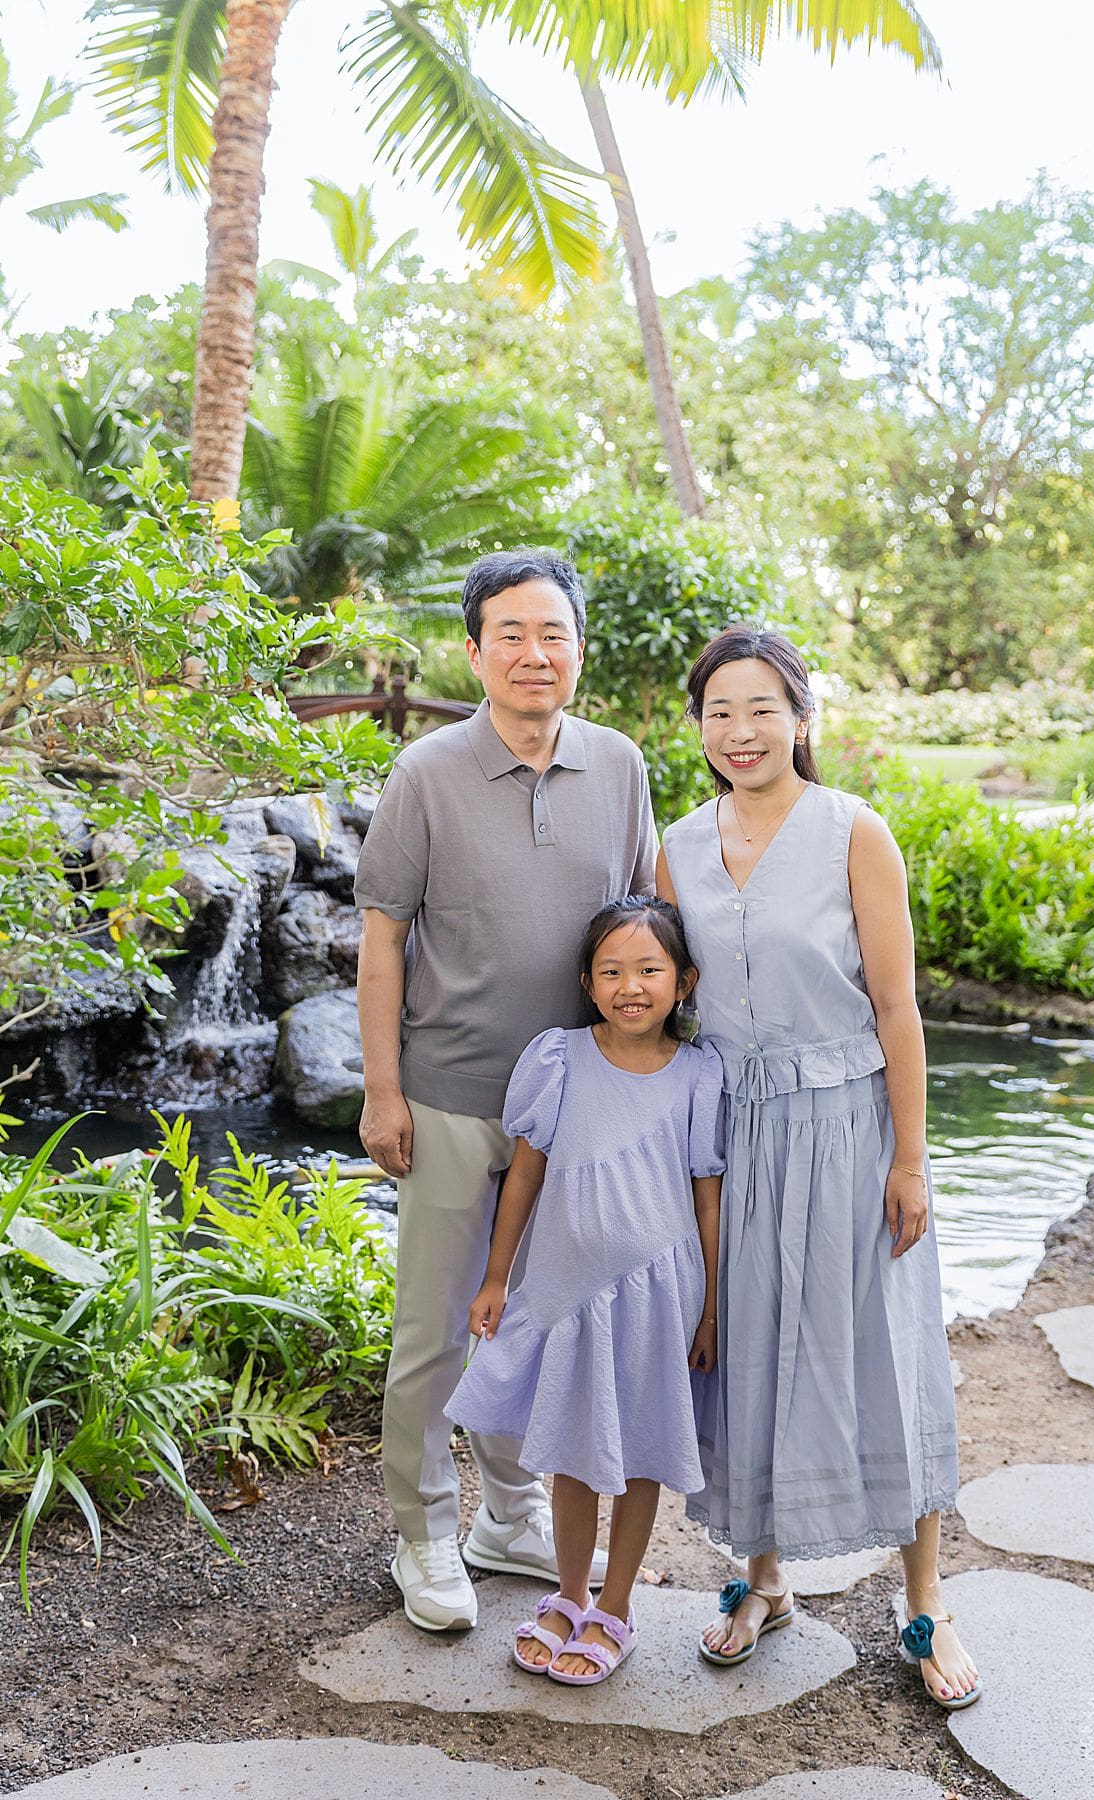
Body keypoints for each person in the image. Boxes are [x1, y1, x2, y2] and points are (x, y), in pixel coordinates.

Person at [657, 627, 980, 1710]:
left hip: (848, 1128)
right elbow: (667, 1000)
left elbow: (897, 1008)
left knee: (884, 1348)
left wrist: (911, 1159)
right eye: (718, 712)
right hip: (735, 1132)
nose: (739, 732)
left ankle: (925, 1604)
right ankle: (762, 1582)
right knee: (743, 1349)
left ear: (801, 718)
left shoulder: (854, 830)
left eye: (761, 709)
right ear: (696, 725)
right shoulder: (677, 845)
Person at [354, 550, 656, 1634]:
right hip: (446, 1096)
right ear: (475, 650)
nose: (536, 654)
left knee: (537, 1322)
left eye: (555, 634)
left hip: (573, 1113)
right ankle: (426, 1531)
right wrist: (381, 1092)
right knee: (435, 1331)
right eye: (513, 635)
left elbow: (640, 932)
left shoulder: (620, 764)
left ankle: (510, 1513)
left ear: (580, 649)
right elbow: (382, 943)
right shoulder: (426, 774)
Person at [445, 896, 723, 1685]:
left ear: (684, 981)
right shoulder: (560, 1058)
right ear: (587, 981)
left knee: (639, 1452)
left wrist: (712, 1307)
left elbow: (707, 1193)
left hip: (662, 1294)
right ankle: (568, 1596)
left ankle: (617, 1606)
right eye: (611, 971)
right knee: (572, 1450)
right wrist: (498, 1278)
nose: (630, 986)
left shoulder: (701, 1075)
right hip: (568, 1289)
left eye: (648, 970)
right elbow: (524, 1173)